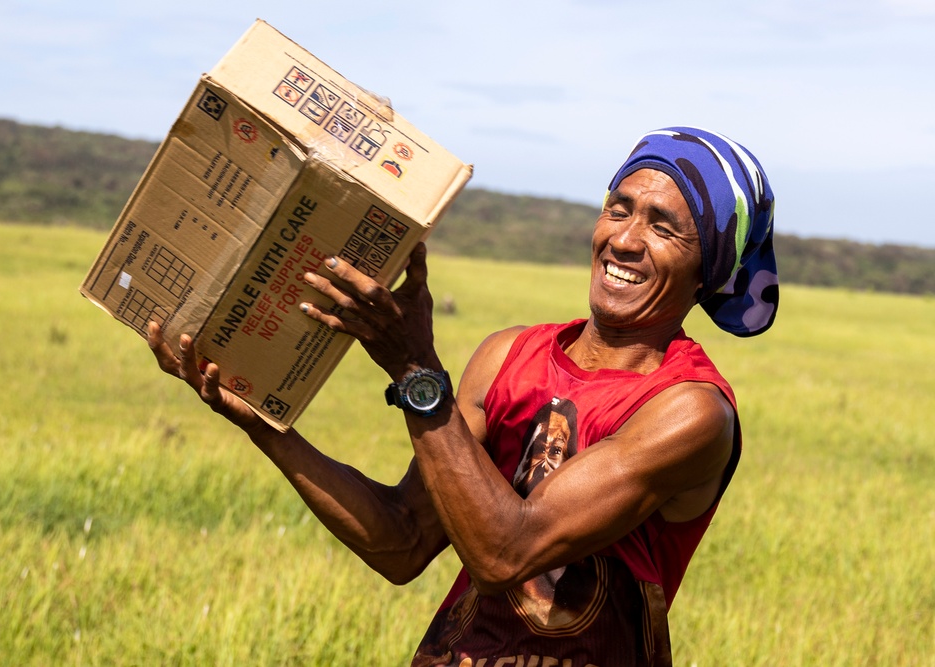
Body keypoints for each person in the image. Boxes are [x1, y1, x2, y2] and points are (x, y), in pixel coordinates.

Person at [147, 126, 777, 666]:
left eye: (663, 226)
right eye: (619, 208)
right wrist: (260, 420)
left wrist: (415, 368)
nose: (624, 239)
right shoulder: (509, 357)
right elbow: (401, 541)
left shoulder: (687, 411)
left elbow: (506, 553)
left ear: (711, 267)